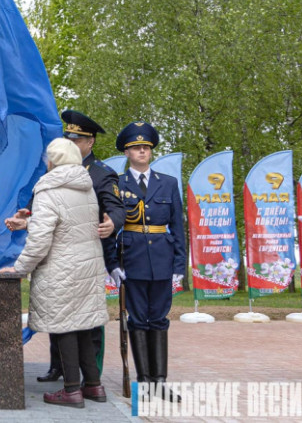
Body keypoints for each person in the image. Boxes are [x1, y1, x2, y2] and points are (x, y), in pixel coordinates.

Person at [0, 138, 108, 408]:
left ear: (53, 160)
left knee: (63, 328)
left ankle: (71, 390)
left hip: (60, 269)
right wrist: (30, 221)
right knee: (83, 325)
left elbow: (40, 242)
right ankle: (93, 386)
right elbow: (69, 222)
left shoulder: (49, 189)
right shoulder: (86, 187)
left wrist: (19, 268)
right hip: (87, 267)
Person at [35, 110, 126, 382]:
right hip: (59, 253)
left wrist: (113, 224)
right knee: (57, 312)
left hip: (88, 254)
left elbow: (116, 207)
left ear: (90, 143)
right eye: (68, 139)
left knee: (87, 319)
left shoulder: (101, 174)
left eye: (78, 140)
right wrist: (26, 216)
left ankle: (91, 374)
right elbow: (44, 203)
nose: (71, 144)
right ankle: (58, 366)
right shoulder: (56, 170)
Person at [114, 121, 186, 402]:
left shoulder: (168, 183)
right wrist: (112, 263)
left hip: (162, 260)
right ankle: (143, 382)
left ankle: (160, 382)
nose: (142, 151)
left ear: (152, 151)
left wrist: (179, 265)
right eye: (136, 148)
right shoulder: (118, 184)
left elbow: (177, 227)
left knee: (159, 319)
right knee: (137, 319)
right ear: (127, 153)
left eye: (146, 147)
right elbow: (109, 227)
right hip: (131, 259)